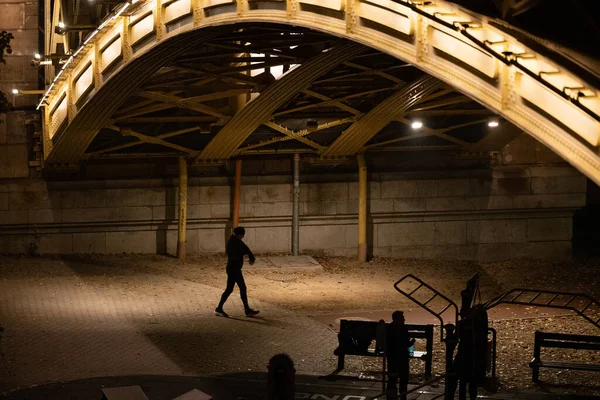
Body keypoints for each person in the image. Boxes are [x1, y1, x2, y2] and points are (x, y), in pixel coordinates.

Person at [215, 226, 260, 318]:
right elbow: (234, 254)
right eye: (241, 235)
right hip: (233, 269)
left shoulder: (237, 241)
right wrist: (243, 253)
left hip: (234, 269)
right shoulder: (231, 243)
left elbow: (246, 248)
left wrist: (251, 256)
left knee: (229, 290)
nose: (242, 237)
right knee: (242, 288)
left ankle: (219, 308)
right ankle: (246, 310)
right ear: (237, 234)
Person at [386, 311, 414, 400]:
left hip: (392, 357)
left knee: (392, 380)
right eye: (402, 318)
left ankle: (391, 397)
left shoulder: (389, 328)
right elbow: (406, 344)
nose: (404, 319)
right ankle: (403, 397)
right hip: (401, 357)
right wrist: (412, 342)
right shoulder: (403, 329)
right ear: (397, 319)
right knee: (403, 380)